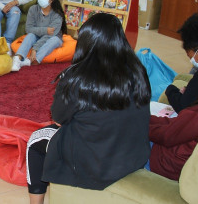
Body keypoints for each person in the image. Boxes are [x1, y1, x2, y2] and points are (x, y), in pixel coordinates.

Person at [26, 13, 151, 204]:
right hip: (133, 156)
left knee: (35, 141)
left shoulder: (76, 77)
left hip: (94, 163)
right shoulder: (137, 70)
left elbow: (58, 119)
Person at [11, 0, 66, 71]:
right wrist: (45, 30)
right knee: (30, 35)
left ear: (52, 0)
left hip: (52, 37)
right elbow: (28, 29)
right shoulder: (33, 9)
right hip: (37, 35)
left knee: (55, 40)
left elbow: (50, 34)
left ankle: (32, 61)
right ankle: (17, 59)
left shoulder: (57, 14)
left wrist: (35, 49)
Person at [165, 13, 198, 113]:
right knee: (180, 77)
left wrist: (170, 90)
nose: (190, 59)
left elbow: (182, 106)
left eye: (189, 55)